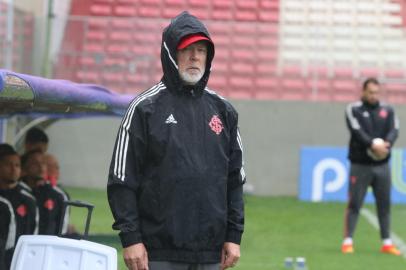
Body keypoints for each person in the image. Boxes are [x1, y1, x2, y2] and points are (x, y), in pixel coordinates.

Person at [107, 11, 246, 270]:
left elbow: (235, 179)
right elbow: (121, 181)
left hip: (210, 253)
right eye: (186, 49)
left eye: (201, 50)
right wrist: (131, 239)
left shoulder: (224, 111)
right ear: (171, 54)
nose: (195, 56)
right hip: (157, 253)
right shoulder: (144, 109)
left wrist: (233, 235)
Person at [342, 78, 400, 255]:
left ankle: (387, 242)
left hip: (382, 165)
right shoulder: (353, 109)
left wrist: (386, 144)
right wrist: (372, 145)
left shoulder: (388, 110)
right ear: (363, 92)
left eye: (376, 92)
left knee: (384, 205)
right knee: (355, 203)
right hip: (360, 165)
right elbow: (356, 130)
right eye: (370, 92)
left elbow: (394, 129)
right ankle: (348, 241)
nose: (374, 96)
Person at [0, 144, 39, 268]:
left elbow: (34, 236)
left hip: (18, 262)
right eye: (8, 164)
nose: (13, 169)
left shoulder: (28, 200)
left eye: (17, 165)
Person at [20, 150, 69, 236]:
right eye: (35, 163)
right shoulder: (16, 195)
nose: (41, 167)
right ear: (23, 169)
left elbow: (61, 231)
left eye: (43, 163)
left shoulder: (58, 196)